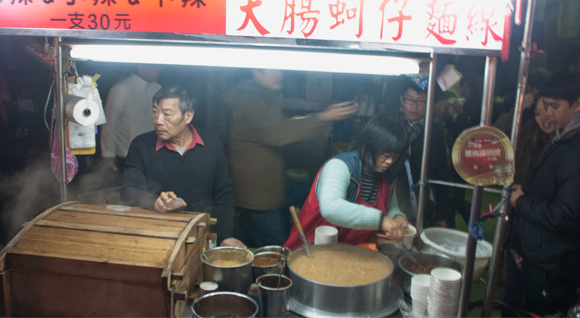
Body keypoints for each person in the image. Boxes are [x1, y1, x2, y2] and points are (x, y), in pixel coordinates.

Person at [224, 69, 358, 248]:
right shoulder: (250, 98)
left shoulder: (264, 95)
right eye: (272, 70)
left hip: (266, 193)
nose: (278, 74)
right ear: (257, 72)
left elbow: (276, 128)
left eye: (280, 69)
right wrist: (323, 117)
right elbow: (277, 133)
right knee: (277, 256)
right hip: (258, 201)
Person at [121, 85, 244, 247]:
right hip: (158, 237)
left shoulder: (211, 144)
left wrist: (224, 235)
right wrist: (154, 202)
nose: (158, 121)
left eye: (166, 114)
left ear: (188, 116)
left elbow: (223, 194)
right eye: (155, 112)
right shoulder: (141, 146)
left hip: (202, 236)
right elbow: (129, 190)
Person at [508, 70, 580, 316]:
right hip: (541, 257)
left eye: (554, 106)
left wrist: (522, 201)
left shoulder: (578, 150)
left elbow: (566, 214)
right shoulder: (564, 138)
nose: (549, 114)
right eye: (544, 107)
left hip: (554, 264)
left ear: (578, 104)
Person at [284, 114, 409, 249]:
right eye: (386, 155)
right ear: (371, 146)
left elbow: (391, 207)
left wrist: (397, 217)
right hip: (312, 249)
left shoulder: (386, 176)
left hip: (353, 252)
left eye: (395, 157)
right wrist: (381, 221)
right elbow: (330, 208)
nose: (390, 162)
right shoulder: (340, 166)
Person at [391, 78, 450, 228]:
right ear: (401, 100)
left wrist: (442, 213)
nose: (414, 106)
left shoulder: (434, 130)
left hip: (422, 197)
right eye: (410, 100)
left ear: (428, 103)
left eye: (421, 101)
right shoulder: (389, 125)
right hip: (392, 193)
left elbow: (442, 171)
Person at [100, 64, 162, 173]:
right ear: (141, 66)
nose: (158, 69)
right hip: (126, 154)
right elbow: (110, 123)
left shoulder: (157, 89)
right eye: (154, 66)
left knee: (152, 188)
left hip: (153, 153)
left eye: (159, 66)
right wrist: (108, 153)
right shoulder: (121, 88)